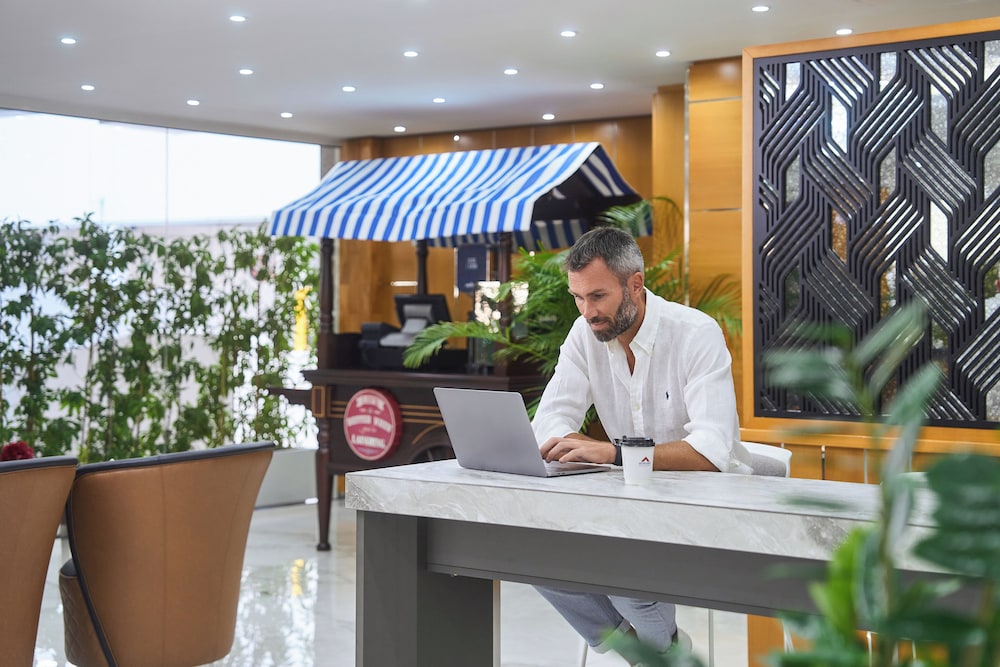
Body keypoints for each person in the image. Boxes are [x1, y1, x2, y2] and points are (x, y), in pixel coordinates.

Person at [531, 225, 752, 663]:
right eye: (578, 297)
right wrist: (571, 442)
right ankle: (654, 652)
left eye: (598, 296)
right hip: (631, 502)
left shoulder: (696, 333)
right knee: (530, 554)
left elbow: (710, 450)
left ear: (635, 284)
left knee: (618, 559)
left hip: (709, 505)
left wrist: (614, 454)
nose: (587, 311)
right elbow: (549, 421)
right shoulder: (584, 334)